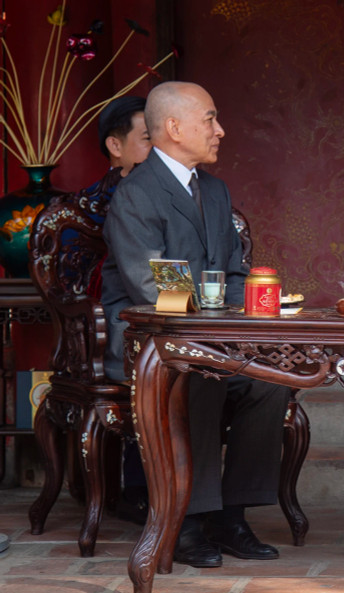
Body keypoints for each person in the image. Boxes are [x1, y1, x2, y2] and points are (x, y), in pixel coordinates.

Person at [101, 81, 291, 568]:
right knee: (203, 375)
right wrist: (216, 319)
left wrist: (255, 308)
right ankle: (187, 520)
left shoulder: (215, 190)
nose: (220, 130)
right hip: (151, 343)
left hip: (209, 337)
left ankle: (231, 515)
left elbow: (233, 273)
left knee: (270, 381)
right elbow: (151, 288)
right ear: (174, 127)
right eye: (210, 119)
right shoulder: (136, 194)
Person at [87, 95, 152, 525]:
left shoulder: (189, 193)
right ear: (115, 145)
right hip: (120, 324)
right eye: (147, 138)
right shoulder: (108, 200)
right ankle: (142, 489)